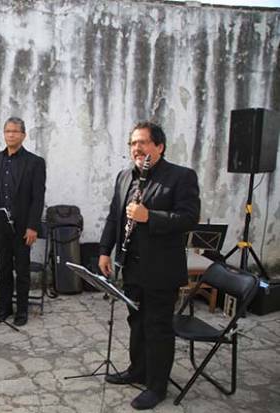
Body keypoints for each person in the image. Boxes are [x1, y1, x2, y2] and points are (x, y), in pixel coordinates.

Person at [98, 121, 200, 410]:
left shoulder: (180, 177)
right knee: (136, 322)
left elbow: (189, 217)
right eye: (132, 143)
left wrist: (149, 216)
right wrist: (105, 251)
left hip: (161, 270)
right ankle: (138, 369)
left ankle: (157, 386)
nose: (136, 148)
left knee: (157, 327)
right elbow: (113, 218)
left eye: (142, 142)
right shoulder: (124, 177)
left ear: (159, 147)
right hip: (131, 266)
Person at [0, 117, 46, 326]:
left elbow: (38, 197)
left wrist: (33, 226)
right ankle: (3, 308)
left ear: (23, 135)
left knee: (22, 270)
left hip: (22, 226)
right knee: (3, 269)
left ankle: (22, 311)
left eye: (15, 131)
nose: (10, 135)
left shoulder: (35, 162)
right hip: (0, 226)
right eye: (7, 131)